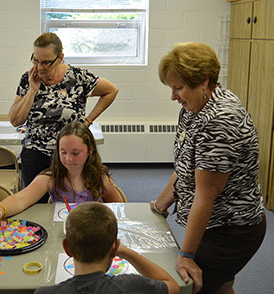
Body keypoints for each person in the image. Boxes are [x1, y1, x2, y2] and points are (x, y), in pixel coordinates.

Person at [152, 42, 266, 294]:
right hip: (217, 224)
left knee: (191, 287)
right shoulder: (196, 105)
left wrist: (187, 255)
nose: (173, 96)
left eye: (178, 88)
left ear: (204, 82)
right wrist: (160, 205)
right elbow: (186, 168)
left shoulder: (219, 122)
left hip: (231, 230)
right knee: (221, 287)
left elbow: (207, 194)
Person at [9, 32, 118, 202]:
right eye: (36, 60)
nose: (39, 67)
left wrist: (87, 121)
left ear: (60, 58)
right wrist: (32, 90)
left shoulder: (77, 78)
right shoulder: (28, 78)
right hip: (37, 152)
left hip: (71, 155)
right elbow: (15, 120)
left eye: (46, 62)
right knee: (35, 206)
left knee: (74, 203)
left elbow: (111, 90)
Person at [0, 121, 122, 237]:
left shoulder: (100, 178)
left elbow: (119, 208)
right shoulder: (51, 178)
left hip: (94, 235)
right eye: (63, 152)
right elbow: (20, 199)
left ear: (90, 151)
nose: (68, 159)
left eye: (76, 153)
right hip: (63, 234)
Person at [34, 202, 180, 294]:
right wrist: (125, 251)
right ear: (114, 247)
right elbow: (173, 286)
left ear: (67, 248)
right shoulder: (131, 285)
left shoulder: (44, 292)